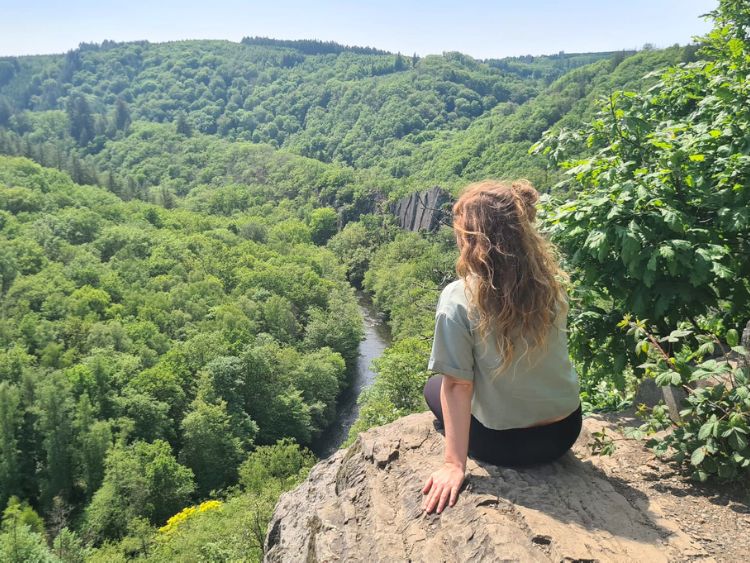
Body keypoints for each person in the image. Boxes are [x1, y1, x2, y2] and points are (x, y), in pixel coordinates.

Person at [421, 179, 581, 515]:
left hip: (507, 446)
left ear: (474, 240)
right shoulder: (552, 285)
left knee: (433, 387)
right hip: (566, 430)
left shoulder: (458, 297)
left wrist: (454, 464)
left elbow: (458, 385)